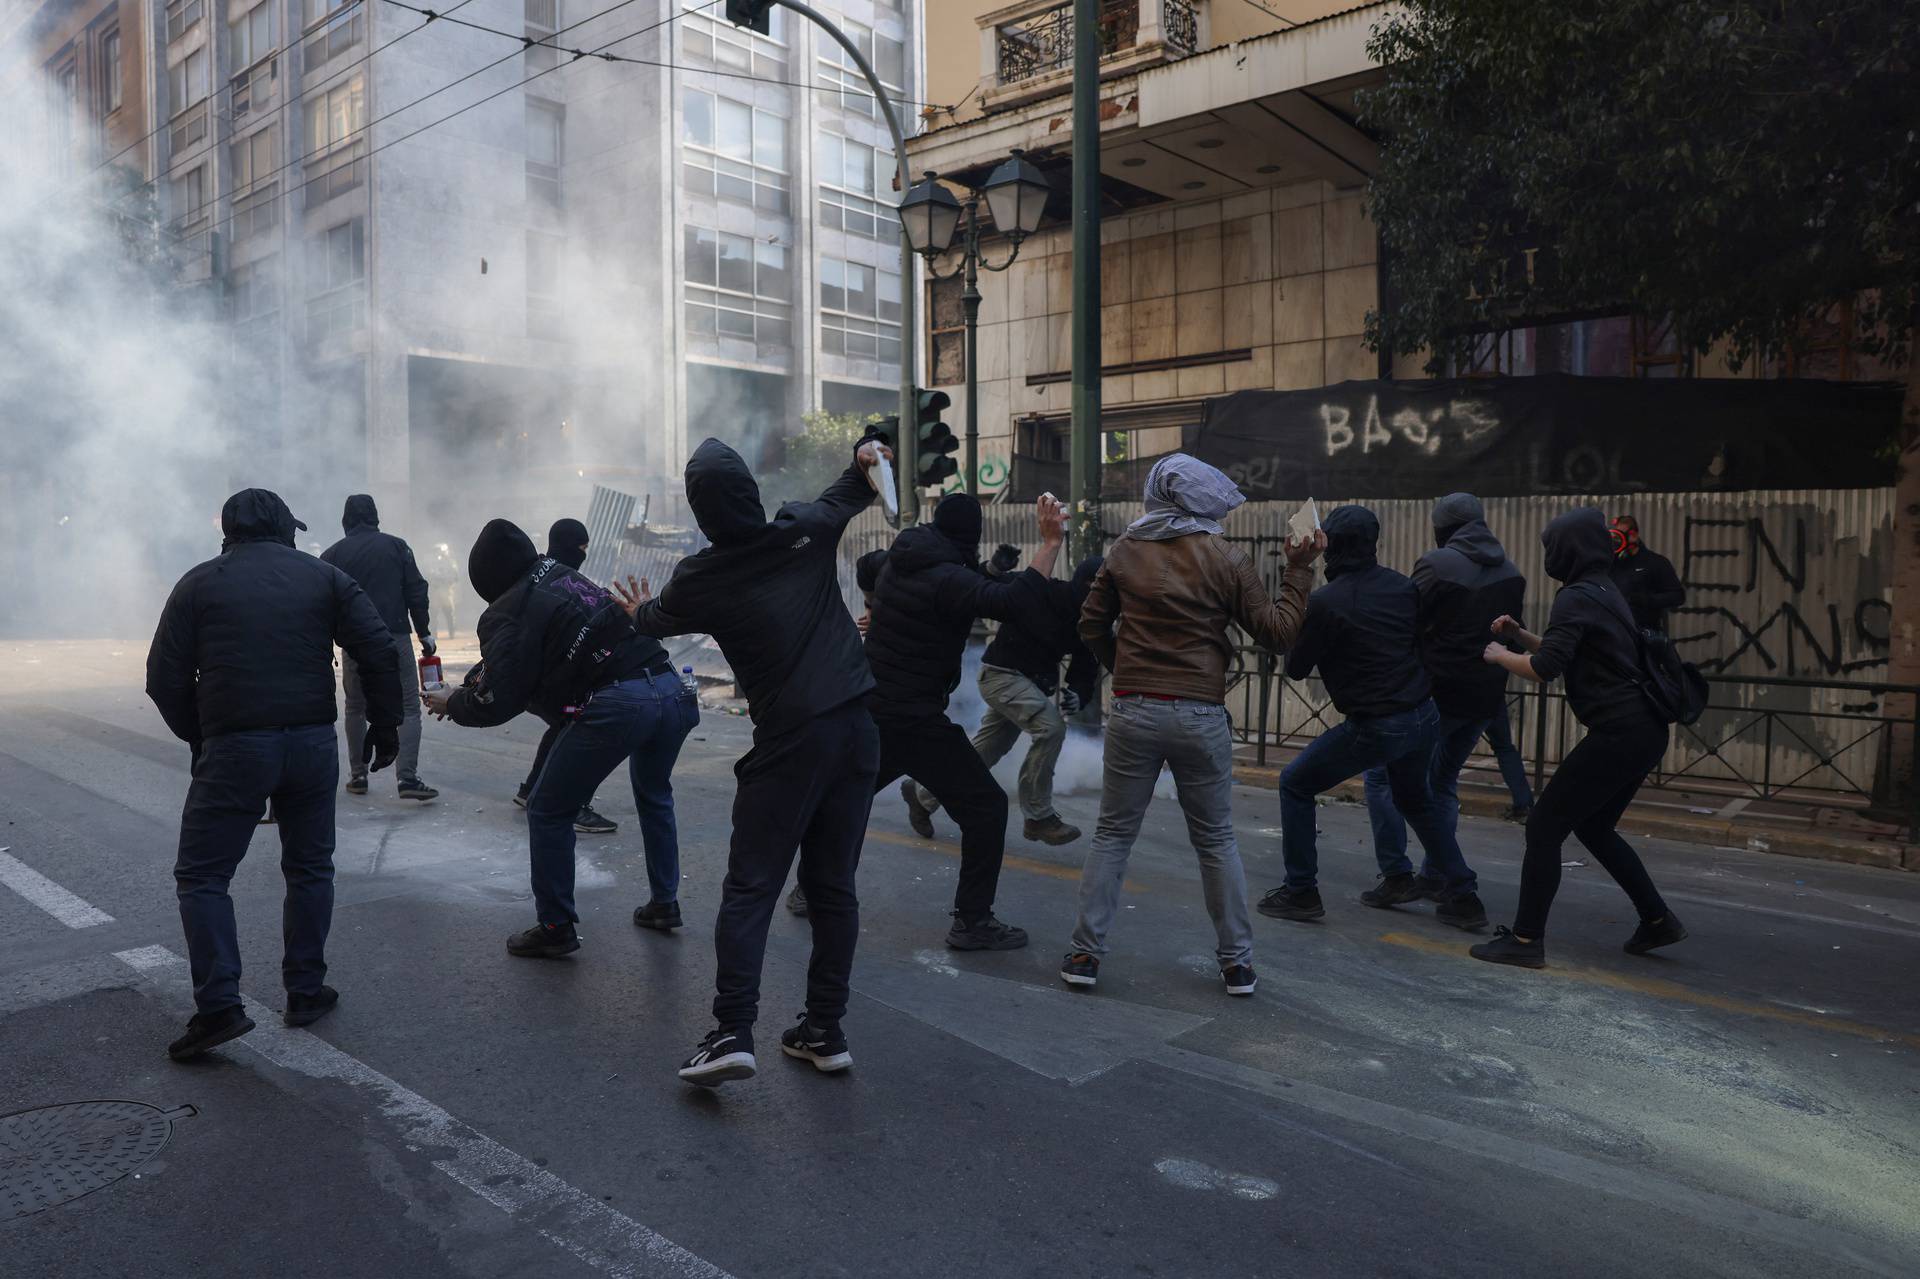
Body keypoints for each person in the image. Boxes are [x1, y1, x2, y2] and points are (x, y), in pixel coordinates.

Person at [614, 434, 888, 1087]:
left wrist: (634, 609)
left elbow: (654, 618)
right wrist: (866, 454)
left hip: (792, 738)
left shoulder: (702, 577)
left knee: (752, 885)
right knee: (832, 886)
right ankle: (824, 1027)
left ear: (702, 514)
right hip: (857, 725)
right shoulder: (803, 527)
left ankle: (733, 1029)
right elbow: (851, 489)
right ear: (753, 493)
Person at [146, 488, 403, 1060]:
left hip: (236, 745)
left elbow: (163, 680)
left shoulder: (198, 583)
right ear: (287, 529)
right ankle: (305, 991)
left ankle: (218, 1009)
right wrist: (383, 729)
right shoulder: (324, 578)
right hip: (311, 743)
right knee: (310, 868)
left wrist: (202, 734)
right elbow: (378, 648)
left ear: (229, 532)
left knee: (204, 877)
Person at [1063, 454, 1320, 995]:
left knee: (1112, 836)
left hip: (1134, 708)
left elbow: (1090, 623)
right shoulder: (1226, 556)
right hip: (1201, 711)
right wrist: (1299, 569)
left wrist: (1125, 669)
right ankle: (1237, 965)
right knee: (1216, 840)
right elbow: (1277, 633)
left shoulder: (1124, 550)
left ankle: (1085, 956)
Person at [423, 519, 694, 960]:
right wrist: (471, 684)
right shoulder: (560, 572)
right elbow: (521, 661)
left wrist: (454, 703)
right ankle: (664, 902)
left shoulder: (505, 610)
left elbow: (499, 699)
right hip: (670, 688)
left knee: (548, 809)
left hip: (620, 702)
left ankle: (555, 926)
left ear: (485, 579)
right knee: (655, 795)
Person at [1471, 507, 1687, 968]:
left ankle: (1526, 941)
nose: (1549, 555)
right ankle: (1657, 921)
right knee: (1592, 825)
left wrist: (1498, 654)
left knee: (1544, 825)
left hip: (1619, 731)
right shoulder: (1603, 588)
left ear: (1569, 551)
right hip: (1645, 729)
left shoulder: (1575, 596)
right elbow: (1562, 651)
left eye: (1553, 548)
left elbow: (1546, 668)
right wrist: (1519, 634)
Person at [1257, 505, 1487, 930]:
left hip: (1378, 723)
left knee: (1295, 783)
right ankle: (1463, 895)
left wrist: (1298, 604)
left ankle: (1301, 890)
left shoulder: (1326, 602)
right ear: (1372, 542)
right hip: (1423, 715)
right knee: (1415, 800)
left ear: (1331, 546)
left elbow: (1295, 667)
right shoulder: (1402, 586)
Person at [858, 490, 1065, 952]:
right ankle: (972, 922)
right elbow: (1014, 604)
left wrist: (875, 607)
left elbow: (867, 569)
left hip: (876, 709)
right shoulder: (947, 578)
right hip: (915, 718)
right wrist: (1050, 544)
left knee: (847, 803)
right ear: (970, 536)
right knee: (987, 809)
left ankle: (810, 891)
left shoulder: (899, 556)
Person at [1359, 493, 1525, 904]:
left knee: (1381, 775)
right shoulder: (1512, 571)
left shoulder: (1437, 563)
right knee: (1444, 781)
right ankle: (1436, 874)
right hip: (1485, 696)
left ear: (1443, 525)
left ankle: (1397, 873)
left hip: (1435, 694)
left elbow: (1408, 620)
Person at [905, 553, 1104, 847]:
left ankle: (922, 796)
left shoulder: (1089, 618)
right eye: (1100, 586)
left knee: (984, 753)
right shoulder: (1046, 590)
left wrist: (1079, 692)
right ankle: (1038, 816)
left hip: (1026, 687)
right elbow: (990, 587)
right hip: (1000, 675)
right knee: (1051, 728)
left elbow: (1085, 666)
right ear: (1086, 583)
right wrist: (993, 568)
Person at [319, 494, 438, 801]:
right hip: (395, 637)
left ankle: (358, 775)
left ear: (345, 520)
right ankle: (407, 778)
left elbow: (320, 602)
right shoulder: (397, 547)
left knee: (355, 706)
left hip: (355, 644)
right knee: (409, 706)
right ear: (375, 517)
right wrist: (424, 633)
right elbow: (416, 591)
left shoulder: (333, 555)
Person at [513, 518, 619, 836]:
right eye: (582, 548)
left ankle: (531, 789)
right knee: (585, 728)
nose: (584, 554)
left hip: (534, 679)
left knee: (562, 725)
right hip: (548, 680)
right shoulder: (561, 581)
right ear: (571, 546)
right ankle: (574, 805)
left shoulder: (541, 573)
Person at [1608, 515, 1684, 633]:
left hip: (1644, 635)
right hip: (1614, 634)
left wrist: (1647, 600)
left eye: (1619, 538)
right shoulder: (1610, 565)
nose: (1616, 543)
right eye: (1613, 538)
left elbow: (1677, 596)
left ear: (1633, 535)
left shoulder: (1656, 563)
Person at [1485, 703, 1534, 822]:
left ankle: (1441, 801)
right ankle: (1524, 804)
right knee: (1504, 748)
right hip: (1492, 699)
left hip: (1460, 697)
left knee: (1445, 747)